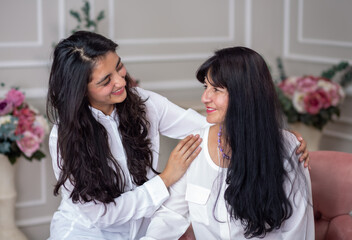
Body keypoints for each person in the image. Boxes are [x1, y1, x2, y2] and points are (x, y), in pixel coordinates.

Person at [46, 31, 309, 240]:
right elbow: (100, 215)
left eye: (120, 67)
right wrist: (167, 178)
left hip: (145, 230)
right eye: (106, 81)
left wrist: (272, 134)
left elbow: (208, 125)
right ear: (80, 91)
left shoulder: (144, 103)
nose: (121, 81)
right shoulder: (64, 137)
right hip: (88, 233)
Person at [142, 47, 314, 239]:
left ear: (245, 94)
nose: (205, 97)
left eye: (216, 89)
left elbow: (297, 231)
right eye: (205, 87)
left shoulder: (289, 149)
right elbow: (171, 214)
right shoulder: (195, 145)